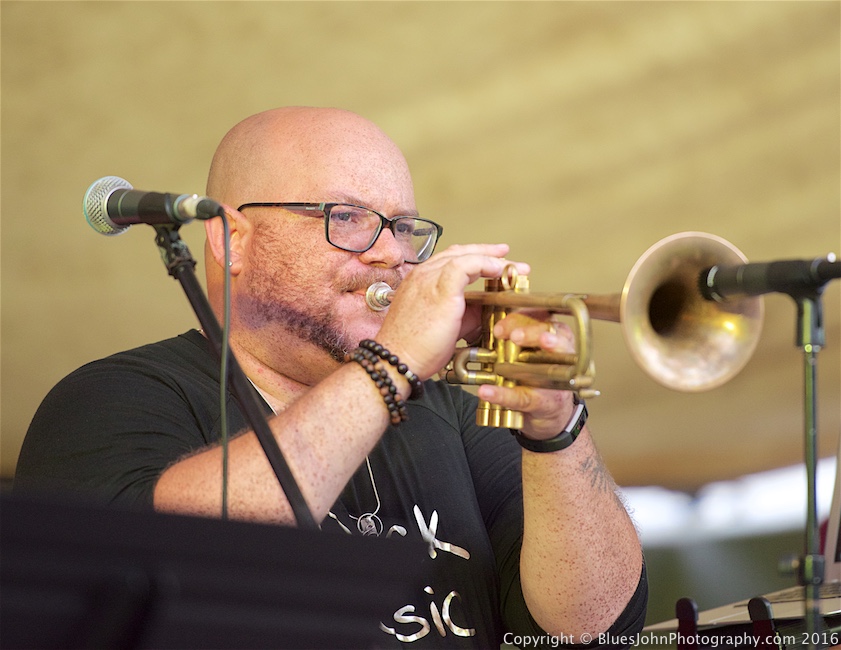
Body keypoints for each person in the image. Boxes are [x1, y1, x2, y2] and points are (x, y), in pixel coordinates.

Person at [16, 107, 647, 647]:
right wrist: (392, 361)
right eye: (344, 217)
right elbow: (182, 558)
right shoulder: (113, 397)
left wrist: (555, 430)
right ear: (230, 240)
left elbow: (588, 627)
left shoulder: (453, 409)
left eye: (402, 227)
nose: (389, 254)